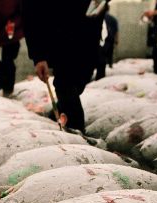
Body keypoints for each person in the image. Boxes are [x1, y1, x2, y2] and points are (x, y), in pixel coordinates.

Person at [24, 0, 107, 133]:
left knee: (78, 85)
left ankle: (54, 116)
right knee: (65, 85)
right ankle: (78, 138)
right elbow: (31, 15)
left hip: (89, 42)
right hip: (60, 42)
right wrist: (38, 57)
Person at [95, 4, 119, 80]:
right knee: (105, 58)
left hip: (100, 41)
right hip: (109, 41)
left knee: (99, 57)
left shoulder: (96, 17)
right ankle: (104, 72)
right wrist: (116, 40)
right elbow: (117, 31)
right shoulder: (113, 19)